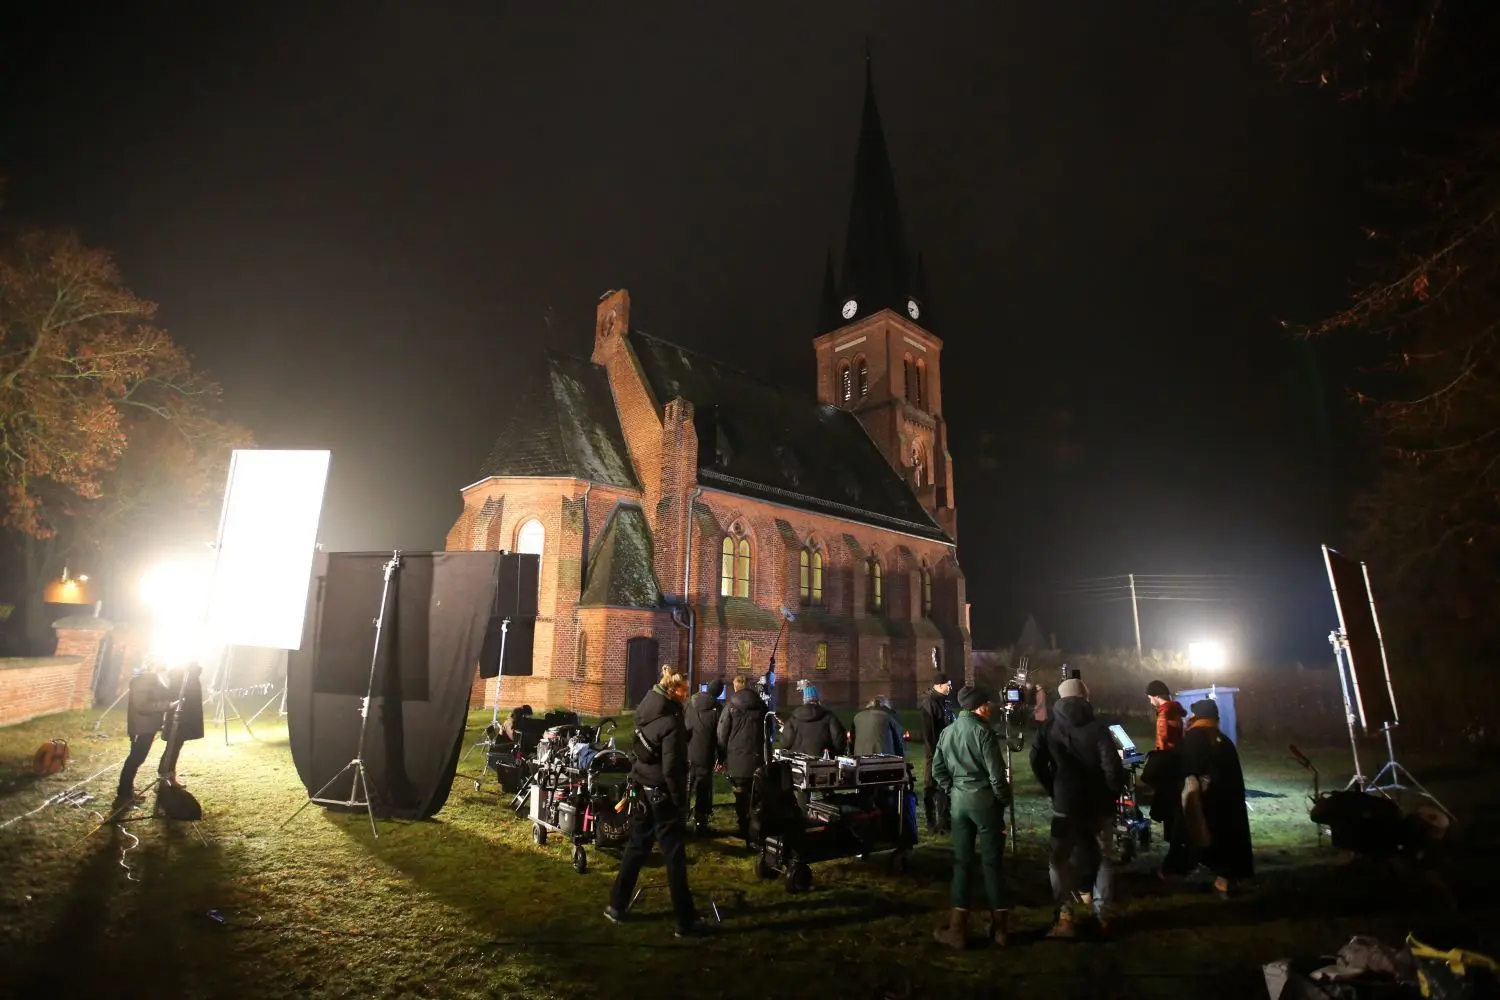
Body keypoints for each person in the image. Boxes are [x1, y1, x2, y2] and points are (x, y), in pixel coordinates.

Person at [606, 668, 701, 936]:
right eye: (685, 691)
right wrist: (679, 800)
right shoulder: (672, 721)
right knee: (674, 857)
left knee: (637, 847)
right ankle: (686, 921)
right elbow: (672, 769)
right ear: (675, 691)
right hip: (662, 794)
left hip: (643, 788)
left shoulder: (646, 709)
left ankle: (616, 905)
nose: (688, 695)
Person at [1030, 677, 1127, 938]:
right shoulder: (1098, 728)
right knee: (1104, 858)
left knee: (1059, 859)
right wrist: (1110, 794)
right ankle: (1103, 917)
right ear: (1085, 697)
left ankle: (1065, 918)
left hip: (1065, 802)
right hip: (1097, 804)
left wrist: (1052, 786)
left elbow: (1036, 760)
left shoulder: (1049, 727)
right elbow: (1112, 768)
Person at [931, 685, 1011, 949]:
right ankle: (1000, 929)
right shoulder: (983, 732)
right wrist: (1003, 799)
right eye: (987, 703)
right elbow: (997, 775)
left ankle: (957, 928)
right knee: (992, 864)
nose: (991, 707)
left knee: (962, 863)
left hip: (959, 803)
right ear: (979, 707)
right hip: (985, 802)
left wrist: (952, 789)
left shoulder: (947, 732)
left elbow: (937, 769)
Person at [1160, 699, 1254, 898]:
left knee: (1189, 834)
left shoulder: (1193, 738)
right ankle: (1224, 880)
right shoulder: (1223, 740)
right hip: (1226, 803)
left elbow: (1182, 766)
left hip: (1202, 800)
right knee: (1223, 840)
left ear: (1198, 716)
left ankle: (1174, 872)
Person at [112, 662, 176, 812]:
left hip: (147, 726)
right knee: (134, 759)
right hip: (141, 727)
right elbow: (142, 706)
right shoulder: (143, 680)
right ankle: (123, 795)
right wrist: (167, 705)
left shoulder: (153, 679)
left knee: (137, 759)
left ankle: (128, 791)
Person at [717, 674, 768, 841]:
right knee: (757, 793)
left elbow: (722, 734)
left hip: (737, 758)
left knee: (740, 793)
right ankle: (757, 827)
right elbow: (769, 732)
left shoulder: (730, 706)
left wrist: (721, 756)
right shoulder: (761, 706)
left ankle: (744, 828)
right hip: (757, 757)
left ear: (736, 687)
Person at [684, 679, 725, 835]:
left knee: (686, 786)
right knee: (704, 788)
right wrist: (721, 758)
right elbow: (720, 735)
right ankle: (701, 821)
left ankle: (681, 817)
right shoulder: (717, 708)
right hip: (705, 753)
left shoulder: (689, 702)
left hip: (687, 751)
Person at [920, 674, 956, 832]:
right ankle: (931, 821)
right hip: (935, 752)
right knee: (931, 786)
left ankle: (944, 821)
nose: (950, 687)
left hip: (947, 751)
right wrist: (934, 754)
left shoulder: (945, 701)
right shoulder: (929, 702)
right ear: (939, 685)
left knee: (944, 787)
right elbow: (929, 732)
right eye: (948, 684)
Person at [775, 685, 846, 758]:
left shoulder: (793, 719)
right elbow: (839, 740)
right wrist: (833, 753)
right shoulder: (829, 717)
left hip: (799, 762)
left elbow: (786, 743)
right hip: (824, 761)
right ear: (818, 699)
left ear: (804, 700)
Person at [1146, 681, 1186, 751]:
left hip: (1167, 758)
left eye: (1150, 698)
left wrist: (1157, 758)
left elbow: (1163, 743)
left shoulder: (1164, 713)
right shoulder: (1175, 710)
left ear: (1156, 696)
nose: (1151, 702)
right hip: (1178, 754)